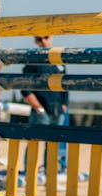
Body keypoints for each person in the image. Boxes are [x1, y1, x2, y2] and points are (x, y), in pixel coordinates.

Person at [21, 35, 69, 173]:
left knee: (53, 143)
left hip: (57, 110)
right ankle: (29, 172)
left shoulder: (59, 60)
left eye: (46, 37)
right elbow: (25, 88)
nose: (43, 41)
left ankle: (50, 172)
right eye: (39, 39)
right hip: (40, 110)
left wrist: (64, 104)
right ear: (36, 41)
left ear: (51, 38)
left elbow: (65, 84)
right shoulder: (32, 60)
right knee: (34, 141)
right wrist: (38, 108)